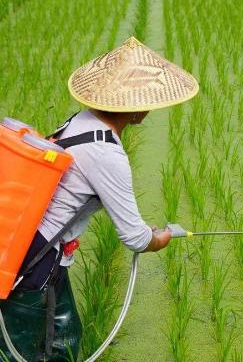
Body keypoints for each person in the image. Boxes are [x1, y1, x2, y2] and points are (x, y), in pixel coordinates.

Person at [0, 37, 199, 361]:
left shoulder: (81, 121)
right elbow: (134, 237)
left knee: (63, 338)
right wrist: (159, 239)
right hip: (36, 261)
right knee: (28, 351)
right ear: (134, 108)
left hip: (29, 244)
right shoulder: (107, 153)